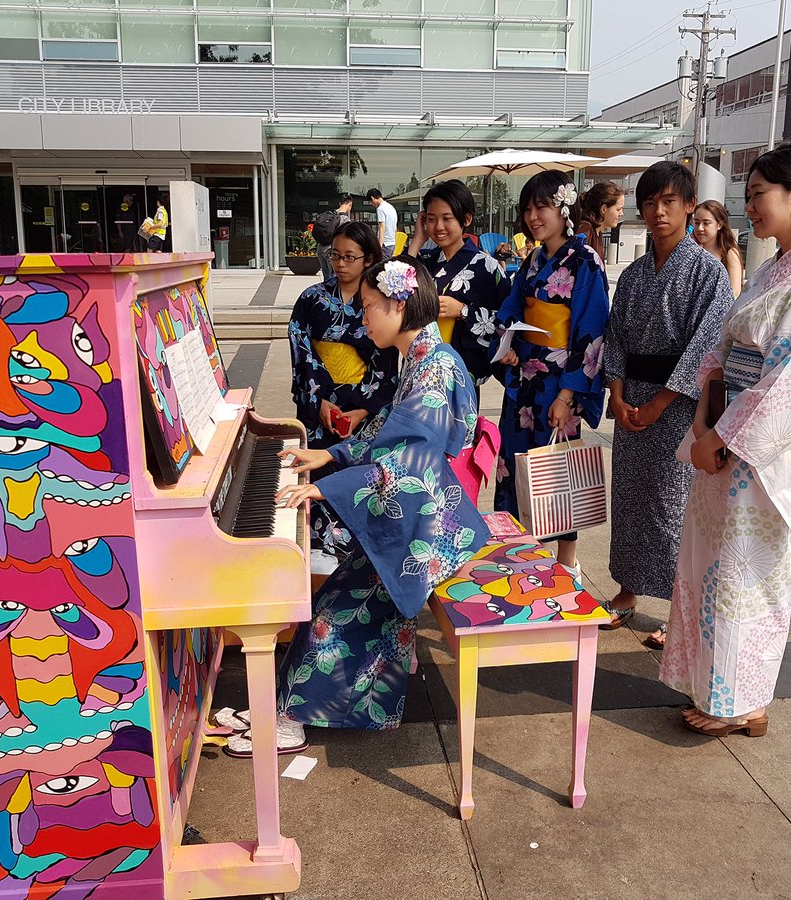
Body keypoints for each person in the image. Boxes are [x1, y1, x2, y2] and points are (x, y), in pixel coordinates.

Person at [222, 256, 490, 755]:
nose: (363, 318)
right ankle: (286, 700)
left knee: (336, 612)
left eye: (369, 307)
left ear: (398, 303)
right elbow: (390, 436)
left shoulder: (433, 369)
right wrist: (331, 454)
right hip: (415, 511)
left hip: (425, 527)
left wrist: (328, 486)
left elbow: (407, 462)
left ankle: (290, 717)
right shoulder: (425, 356)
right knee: (338, 596)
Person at [659, 142, 791, 737]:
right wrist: (704, 422)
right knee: (710, 568)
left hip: (758, 453)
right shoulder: (777, 267)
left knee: (746, 576)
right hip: (725, 430)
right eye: (746, 196)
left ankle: (745, 700)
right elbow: (723, 349)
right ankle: (713, 685)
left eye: (758, 194)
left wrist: (725, 439)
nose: (750, 207)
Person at [601, 162, 734, 647]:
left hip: (677, 406)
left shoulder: (707, 272)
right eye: (650, 203)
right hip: (631, 398)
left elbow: (706, 345)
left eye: (669, 203)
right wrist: (616, 392)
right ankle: (627, 590)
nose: (659, 212)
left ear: (689, 207)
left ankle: (681, 606)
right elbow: (614, 336)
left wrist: (661, 401)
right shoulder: (635, 274)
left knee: (673, 503)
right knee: (631, 497)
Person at [492, 171, 610, 583]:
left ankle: (567, 562)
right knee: (516, 465)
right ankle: (522, 554)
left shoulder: (585, 261)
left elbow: (592, 330)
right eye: (527, 209)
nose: (533, 216)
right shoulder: (533, 259)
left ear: (563, 208)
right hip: (525, 378)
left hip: (560, 381)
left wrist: (568, 393)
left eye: (541, 207)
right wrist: (506, 342)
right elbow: (511, 308)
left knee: (557, 469)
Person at [288, 221, 399, 452]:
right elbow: (301, 353)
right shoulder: (311, 298)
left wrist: (362, 409)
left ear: (367, 259)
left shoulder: (381, 302)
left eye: (349, 257)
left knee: (362, 477)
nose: (340, 263)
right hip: (320, 401)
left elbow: (386, 359)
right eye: (335, 255)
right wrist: (317, 402)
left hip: (364, 407)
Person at [408, 179, 510, 384]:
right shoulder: (426, 260)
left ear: (466, 219)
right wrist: (418, 240)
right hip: (421, 368)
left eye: (447, 218)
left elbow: (507, 322)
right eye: (431, 219)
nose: (438, 227)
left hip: (461, 372)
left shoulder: (487, 267)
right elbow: (396, 288)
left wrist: (464, 311)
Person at [692, 199, 744, 297]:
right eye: (697, 222)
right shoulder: (692, 250)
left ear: (719, 224)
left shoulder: (729, 253)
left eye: (706, 223)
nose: (700, 228)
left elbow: (735, 293)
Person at [575, 181, 625, 267]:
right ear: (604, 209)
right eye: (618, 209)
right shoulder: (584, 230)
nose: (621, 213)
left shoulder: (595, 231)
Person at [314, 194, 353, 281]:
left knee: (326, 277)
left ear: (340, 203)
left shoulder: (328, 215)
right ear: (350, 205)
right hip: (332, 251)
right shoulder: (345, 219)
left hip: (320, 249)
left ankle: (325, 294)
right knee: (334, 279)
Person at [367, 188, 397, 259]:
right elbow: (395, 228)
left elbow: (382, 228)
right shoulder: (391, 207)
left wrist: (379, 246)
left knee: (381, 266)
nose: (371, 204)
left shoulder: (380, 209)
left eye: (370, 202)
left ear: (372, 198)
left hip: (385, 244)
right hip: (392, 243)